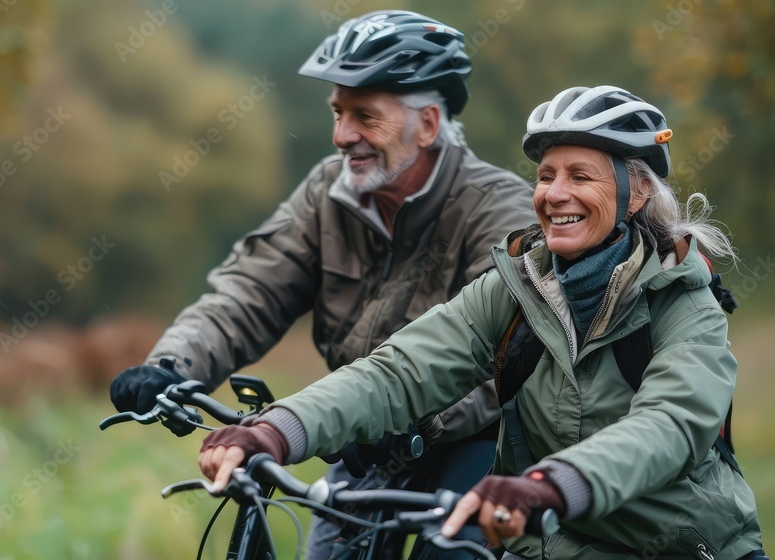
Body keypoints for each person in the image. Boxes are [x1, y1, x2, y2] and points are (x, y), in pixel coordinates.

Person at [198, 85, 768, 560]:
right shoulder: (519, 286)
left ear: (637, 191)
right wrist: (274, 430)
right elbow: (400, 372)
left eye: (581, 176)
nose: (556, 194)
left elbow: (669, 426)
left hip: (677, 548)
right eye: (546, 176)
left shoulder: (684, 299)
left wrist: (546, 486)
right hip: (547, 547)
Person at [110, 10, 536, 559]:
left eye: (364, 116)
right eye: (338, 113)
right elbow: (248, 292)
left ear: (428, 123)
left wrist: (406, 420)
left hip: (477, 444)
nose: (341, 136)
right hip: (361, 437)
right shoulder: (325, 195)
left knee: (453, 552)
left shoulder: (499, 210)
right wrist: (172, 365)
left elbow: (503, 354)